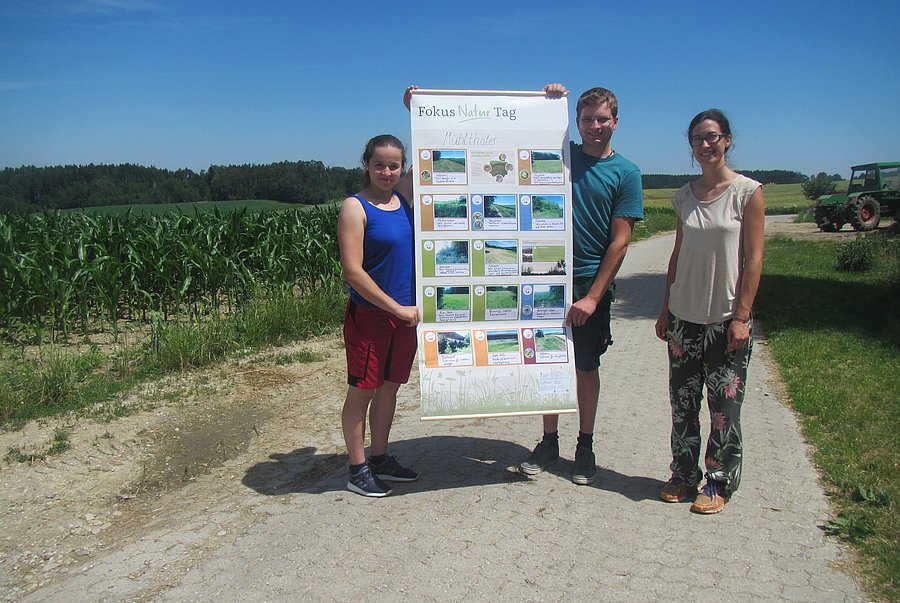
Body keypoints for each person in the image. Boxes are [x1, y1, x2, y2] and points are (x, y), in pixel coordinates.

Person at [519, 84, 645, 485]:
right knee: (548, 362)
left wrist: (593, 296)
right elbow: (516, 134)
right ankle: (548, 441)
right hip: (544, 274)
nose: (595, 126)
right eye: (587, 119)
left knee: (586, 368)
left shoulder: (626, 173)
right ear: (576, 123)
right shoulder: (560, 157)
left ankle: (585, 446)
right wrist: (548, 99)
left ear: (615, 122)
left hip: (590, 281)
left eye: (602, 119)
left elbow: (620, 241)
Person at [654, 109, 765, 514]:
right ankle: (683, 474)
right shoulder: (684, 196)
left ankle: (718, 481)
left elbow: (754, 259)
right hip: (684, 317)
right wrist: (666, 309)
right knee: (683, 403)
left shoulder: (747, 193)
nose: (705, 145)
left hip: (724, 319)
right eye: (698, 139)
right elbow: (677, 254)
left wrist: (742, 316)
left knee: (724, 407)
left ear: (728, 140)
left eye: (712, 137)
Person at [338, 134, 419, 497]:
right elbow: (353, 272)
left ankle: (381, 457)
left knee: (390, 388)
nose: (386, 172)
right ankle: (357, 468)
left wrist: (415, 107)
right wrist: (396, 308)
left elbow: (439, 151)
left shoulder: (402, 199)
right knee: (363, 391)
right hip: (372, 316)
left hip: (404, 317)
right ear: (366, 164)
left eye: (394, 165)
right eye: (379, 164)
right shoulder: (355, 207)